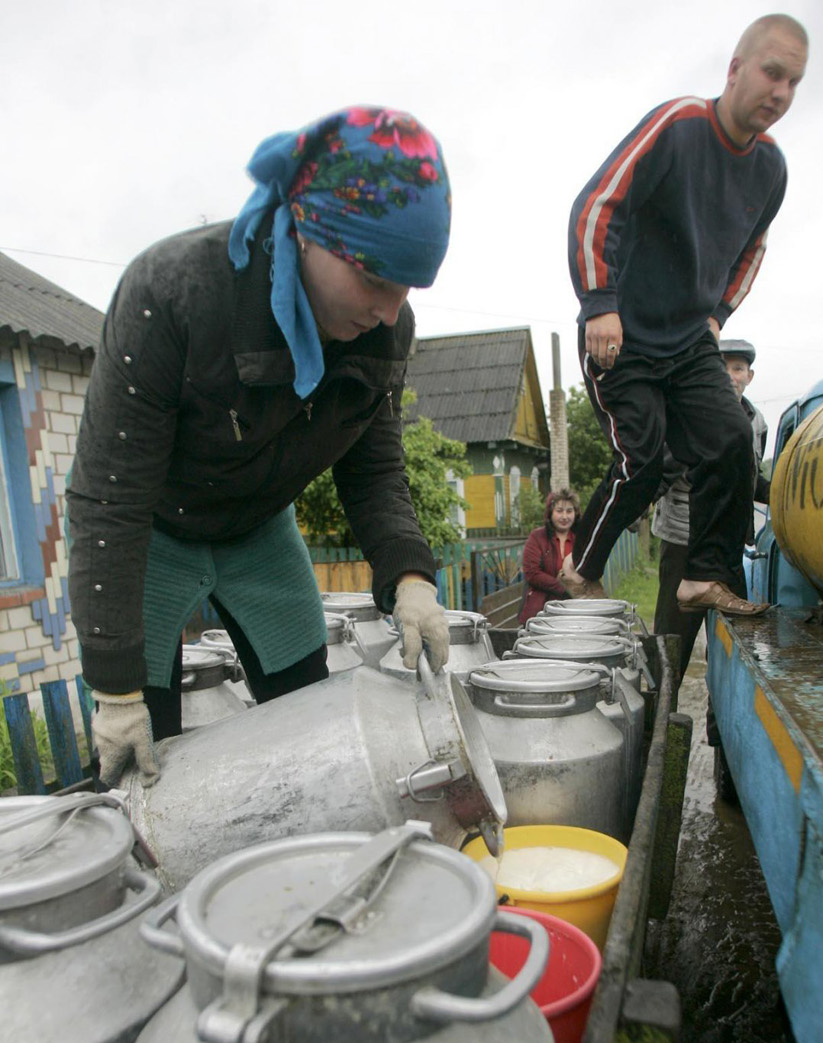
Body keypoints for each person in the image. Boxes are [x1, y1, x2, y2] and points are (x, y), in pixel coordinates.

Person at [66, 106, 453, 787]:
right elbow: (109, 499)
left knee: (314, 728)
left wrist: (412, 577)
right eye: (377, 281)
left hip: (259, 530)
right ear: (311, 231)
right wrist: (114, 682)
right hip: (153, 532)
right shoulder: (173, 296)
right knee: (141, 762)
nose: (391, 311)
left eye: (408, 289)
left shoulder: (384, 331)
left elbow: (375, 469)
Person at [563, 14, 807, 619]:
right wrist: (600, 302)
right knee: (643, 460)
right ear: (735, 69)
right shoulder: (679, 126)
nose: (780, 93)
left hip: (690, 336)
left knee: (730, 441)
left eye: (793, 82)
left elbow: (754, 248)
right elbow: (597, 204)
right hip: (622, 332)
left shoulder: (771, 168)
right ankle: (581, 570)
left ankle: (703, 575)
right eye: (772, 73)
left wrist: (720, 313)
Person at [653, 338, 770, 686]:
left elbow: (750, 478)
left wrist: (782, 495)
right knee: (671, 648)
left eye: (737, 369)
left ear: (749, 375)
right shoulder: (691, 413)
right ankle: (660, 726)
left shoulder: (755, 421)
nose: (730, 376)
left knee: (735, 645)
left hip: (729, 549)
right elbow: (665, 467)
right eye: (722, 368)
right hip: (683, 543)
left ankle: (720, 733)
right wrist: (633, 506)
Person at [519, 488, 581, 623]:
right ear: (550, 513)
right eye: (559, 511)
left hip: (575, 610)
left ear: (576, 513)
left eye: (569, 511)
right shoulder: (537, 537)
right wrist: (564, 589)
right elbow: (532, 573)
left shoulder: (582, 540)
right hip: (540, 612)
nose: (564, 516)